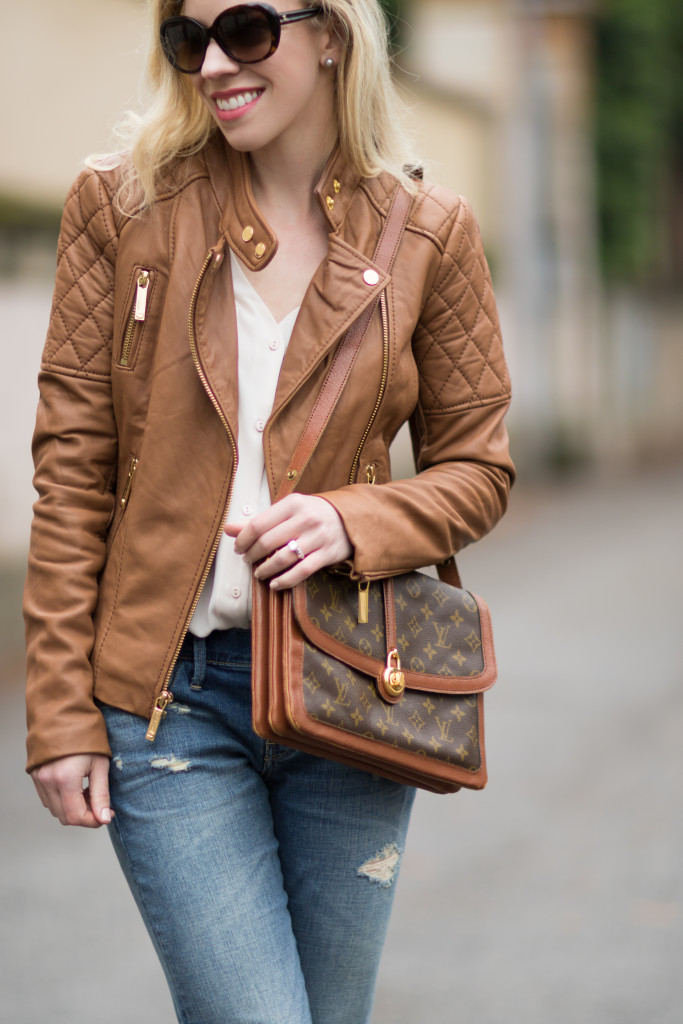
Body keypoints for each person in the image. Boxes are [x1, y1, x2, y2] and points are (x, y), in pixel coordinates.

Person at [24, 2, 514, 1021]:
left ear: (331, 32)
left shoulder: (429, 233)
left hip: (349, 690)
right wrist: (61, 711)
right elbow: (72, 474)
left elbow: (477, 469)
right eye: (185, 38)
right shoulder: (120, 210)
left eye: (243, 30)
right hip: (172, 702)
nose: (211, 63)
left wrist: (355, 522)